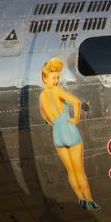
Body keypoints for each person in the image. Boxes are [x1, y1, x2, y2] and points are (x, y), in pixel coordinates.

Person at [39, 57, 99, 211]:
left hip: (57, 134)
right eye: (54, 77)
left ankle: (81, 200)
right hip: (69, 131)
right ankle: (90, 200)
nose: (57, 80)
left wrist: (54, 123)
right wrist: (76, 118)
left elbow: (44, 115)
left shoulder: (42, 96)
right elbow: (76, 102)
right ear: (45, 78)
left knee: (71, 171)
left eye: (58, 77)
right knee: (80, 171)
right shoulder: (58, 91)